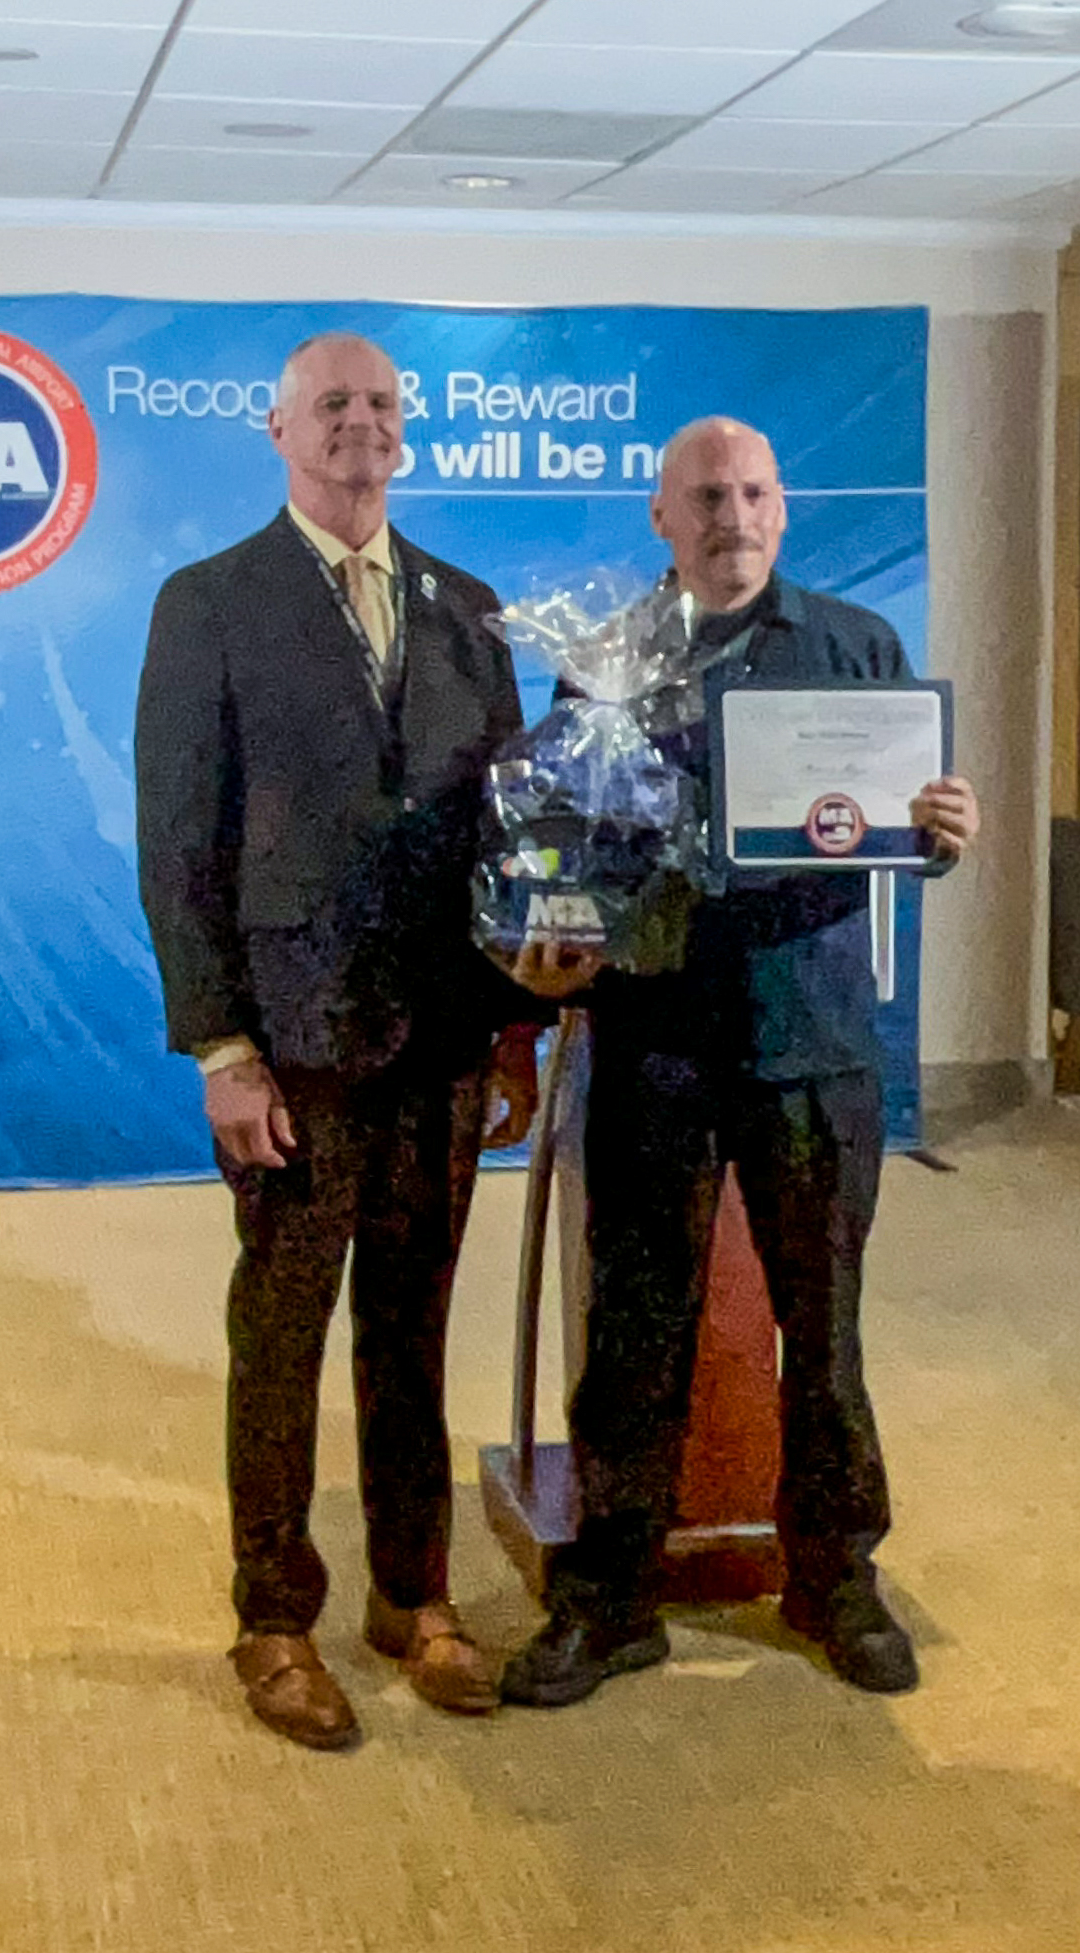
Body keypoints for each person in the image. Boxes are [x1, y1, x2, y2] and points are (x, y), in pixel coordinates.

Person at [502, 417, 980, 1707]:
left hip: (814, 1041)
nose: (733, 514)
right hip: (654, 1037)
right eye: (706, 495)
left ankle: (834, 1577)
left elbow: (895, 829)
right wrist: (550, 925)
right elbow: (562, 837)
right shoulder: (605, 660)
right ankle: (611, 1598)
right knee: (637, 1329)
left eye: (756, 492)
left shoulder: (856, 648)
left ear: (786, 510)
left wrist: (941, 832)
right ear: (663, 516)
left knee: (821, 1329)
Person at [135, 332, 539, 1751]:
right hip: (291, 1047)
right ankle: (272, 1613)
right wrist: (220, 1048)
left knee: (412, 1334)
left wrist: (512, 1035)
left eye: (379, 404)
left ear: (404, 432)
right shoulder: (209, 604)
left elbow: (506, 847)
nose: (357, 423)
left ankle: (412, 1595)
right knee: (282, 1333)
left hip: (439, 1042)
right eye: (331, 404)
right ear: (279, 428)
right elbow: (179, 845)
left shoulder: (468, 609)